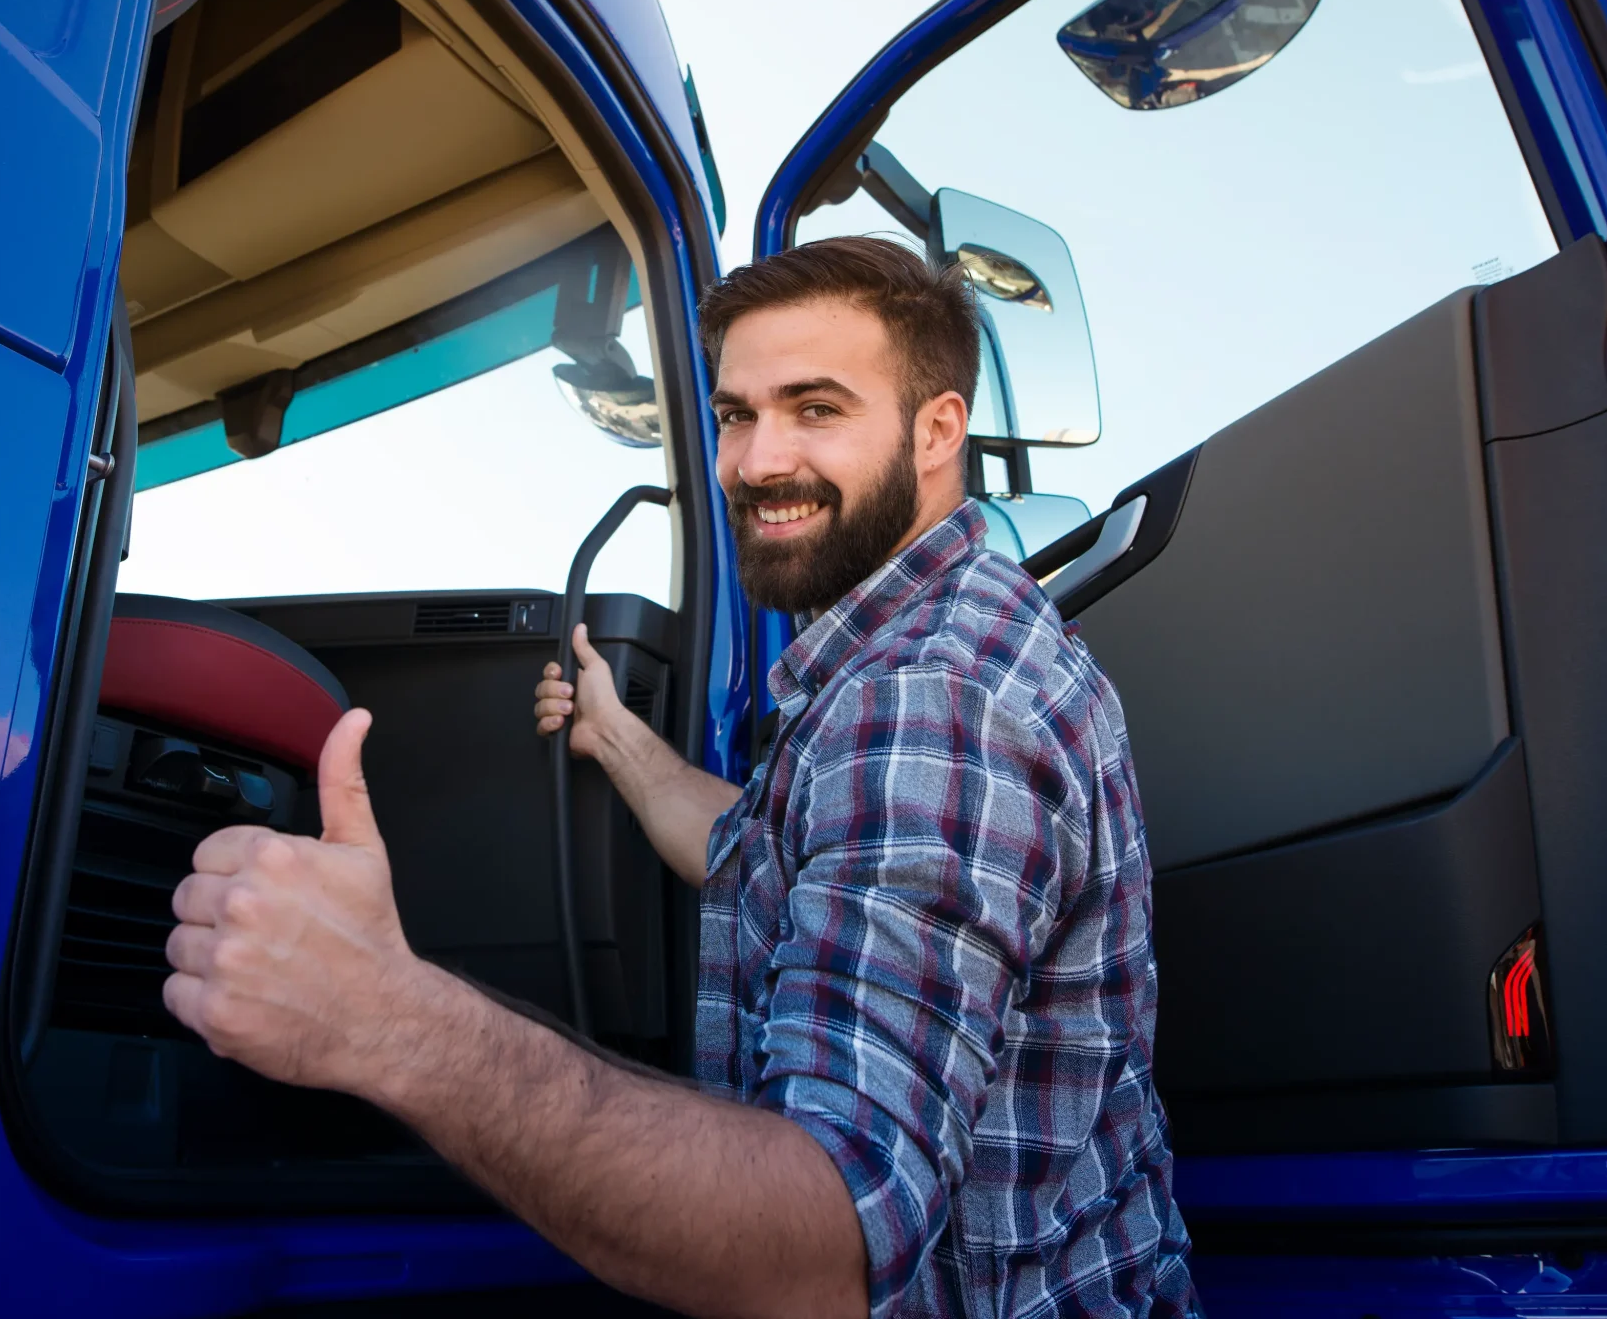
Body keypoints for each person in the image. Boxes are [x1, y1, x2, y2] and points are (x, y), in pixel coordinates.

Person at [161, 237, 1197, 1319]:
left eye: (815, 407)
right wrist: (614, 736)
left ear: (937, 430)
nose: (753, 461)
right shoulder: (916, 649)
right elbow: (759, 851)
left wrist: (386, 1017)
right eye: (736, 414)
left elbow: (822, 1243)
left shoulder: (929, 698)